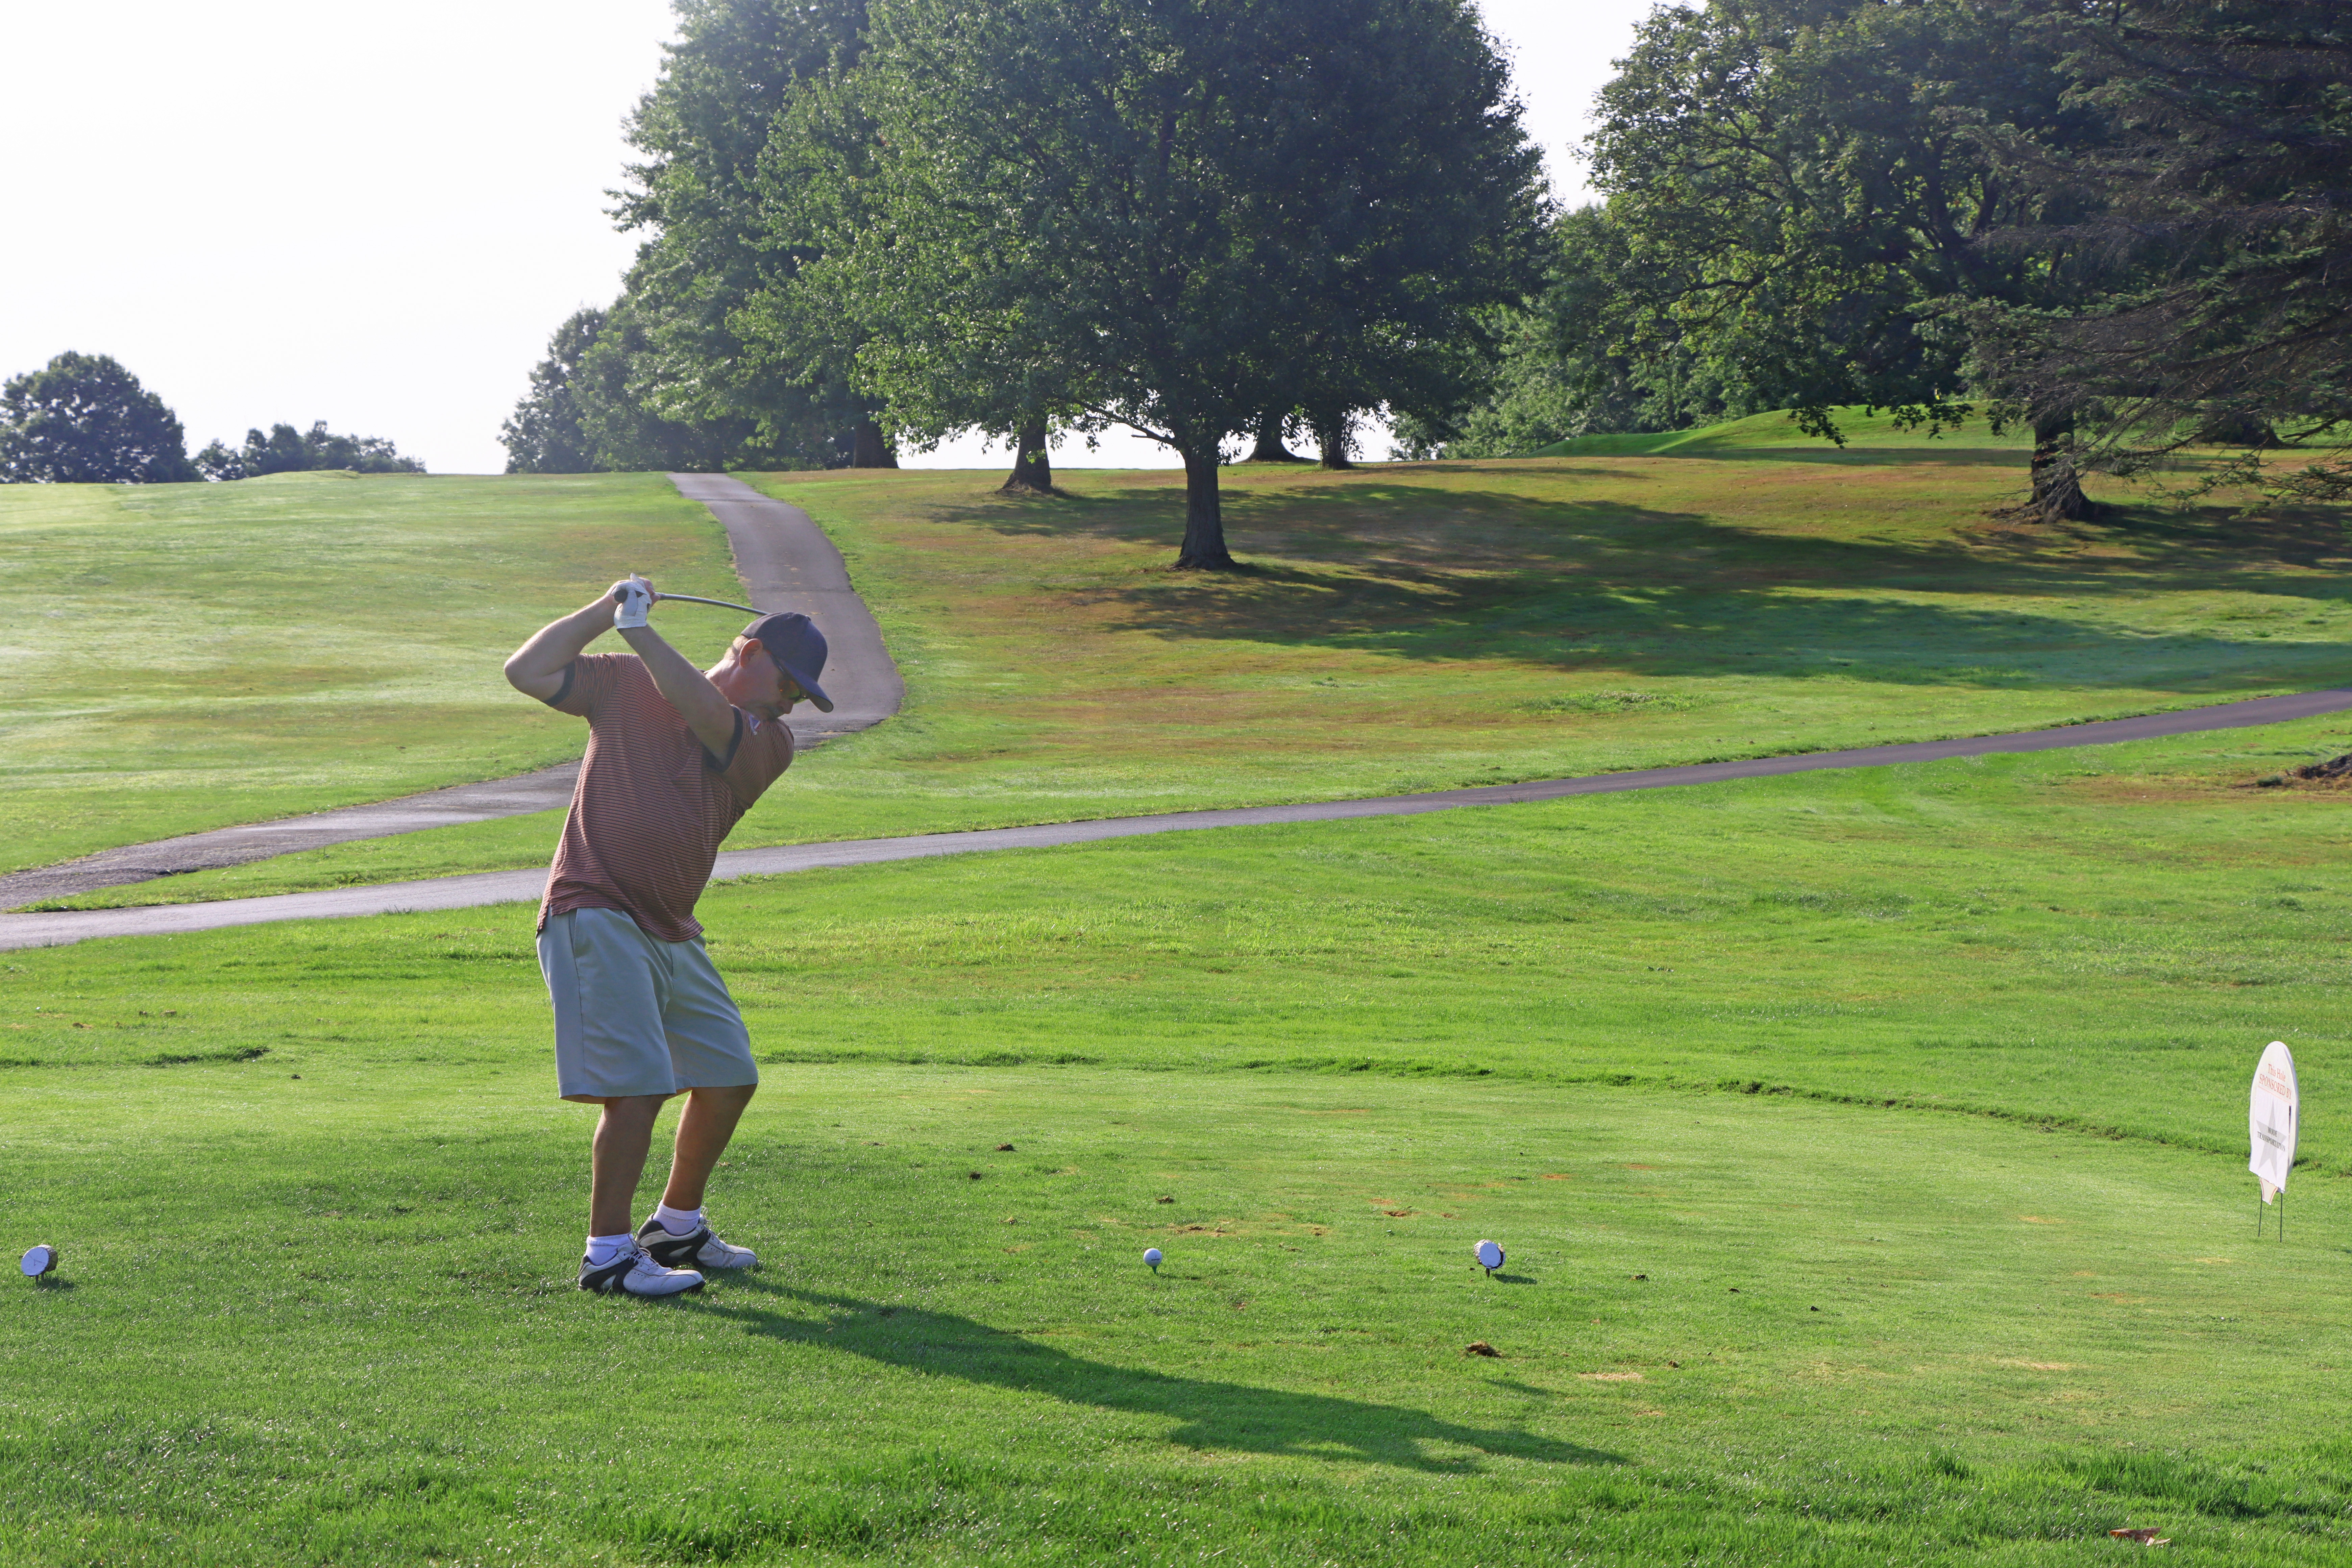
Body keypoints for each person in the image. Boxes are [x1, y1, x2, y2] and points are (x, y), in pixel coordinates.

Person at [503, 576, 832, 1296]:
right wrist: (605, 608)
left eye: (806, 693)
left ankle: (676, 1225)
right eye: (791, 682)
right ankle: (609, 1255)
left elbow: (707, 713)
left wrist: (640, 631)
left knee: (728, 1075)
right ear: (748, 652)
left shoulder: (767, 741)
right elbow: (525, 671)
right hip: (595, 905)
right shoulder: (625, 683)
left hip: (673, 927)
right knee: (639, 1088)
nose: (795, 701)